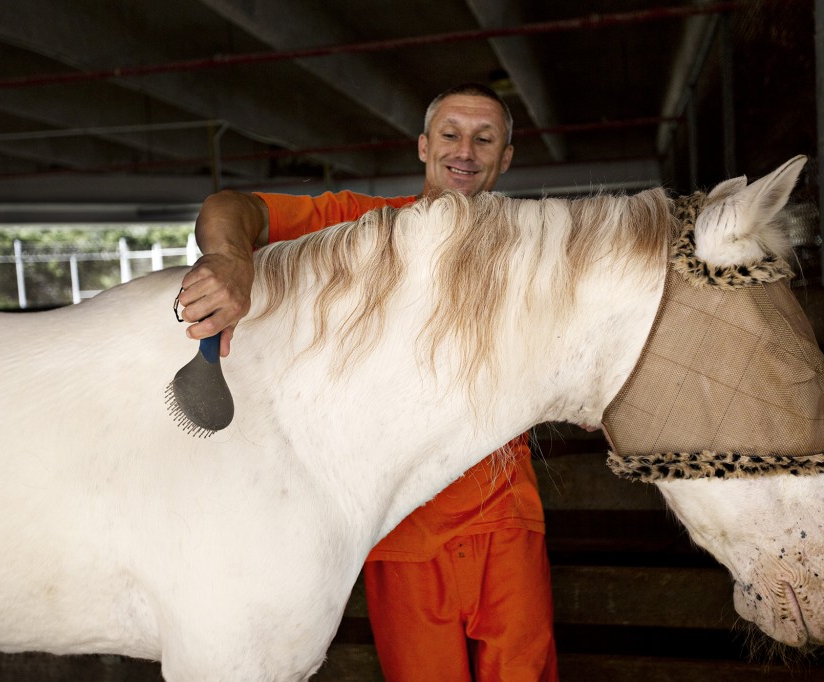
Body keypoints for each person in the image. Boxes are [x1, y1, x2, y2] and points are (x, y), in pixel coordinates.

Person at [178, 83, 558, 682]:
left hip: (504, 516)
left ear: (506, 157)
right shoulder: (360, 223)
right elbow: (230, 207)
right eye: (451, 134)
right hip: (398, 520)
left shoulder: (538, 250)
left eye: (485, 139)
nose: (466, 150)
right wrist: (231, 260)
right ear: (424, 147)